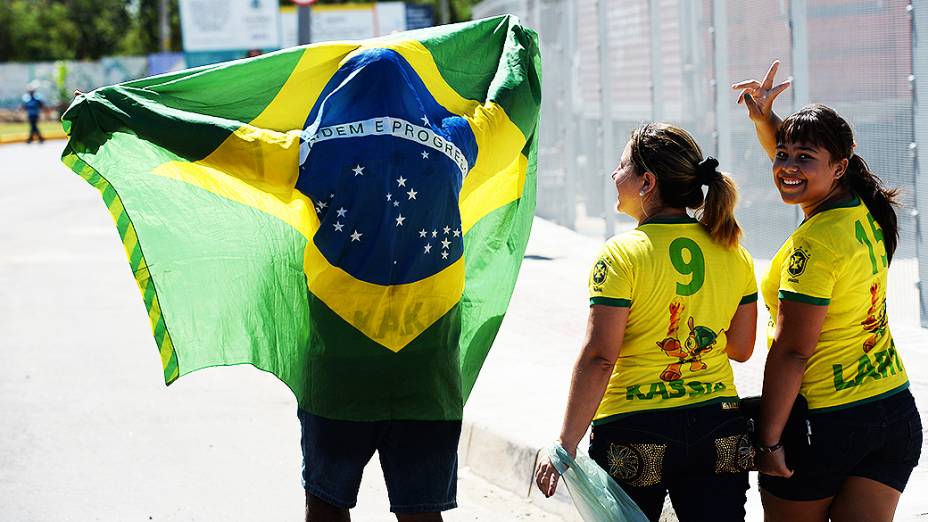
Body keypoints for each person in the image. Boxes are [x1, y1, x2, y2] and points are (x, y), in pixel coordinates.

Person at [534, 123, 759, 522]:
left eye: (622, 166)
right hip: (719, 427)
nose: (613, 175)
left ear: (647, 182)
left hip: (636, 433)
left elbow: (601, 357)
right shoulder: (732, 251)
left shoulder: (621, 255)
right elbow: (742, 349)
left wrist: (565, 445)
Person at [732, 61, 922, 522]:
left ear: (839, 167)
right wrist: (766, 122)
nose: (787, 167)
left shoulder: (814, 245)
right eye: (783, 154)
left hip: (826, 426)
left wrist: (770, 440)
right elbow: (802, 169)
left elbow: (793, 352)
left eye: (804, 158)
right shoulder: (864, 208)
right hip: (891, 413)